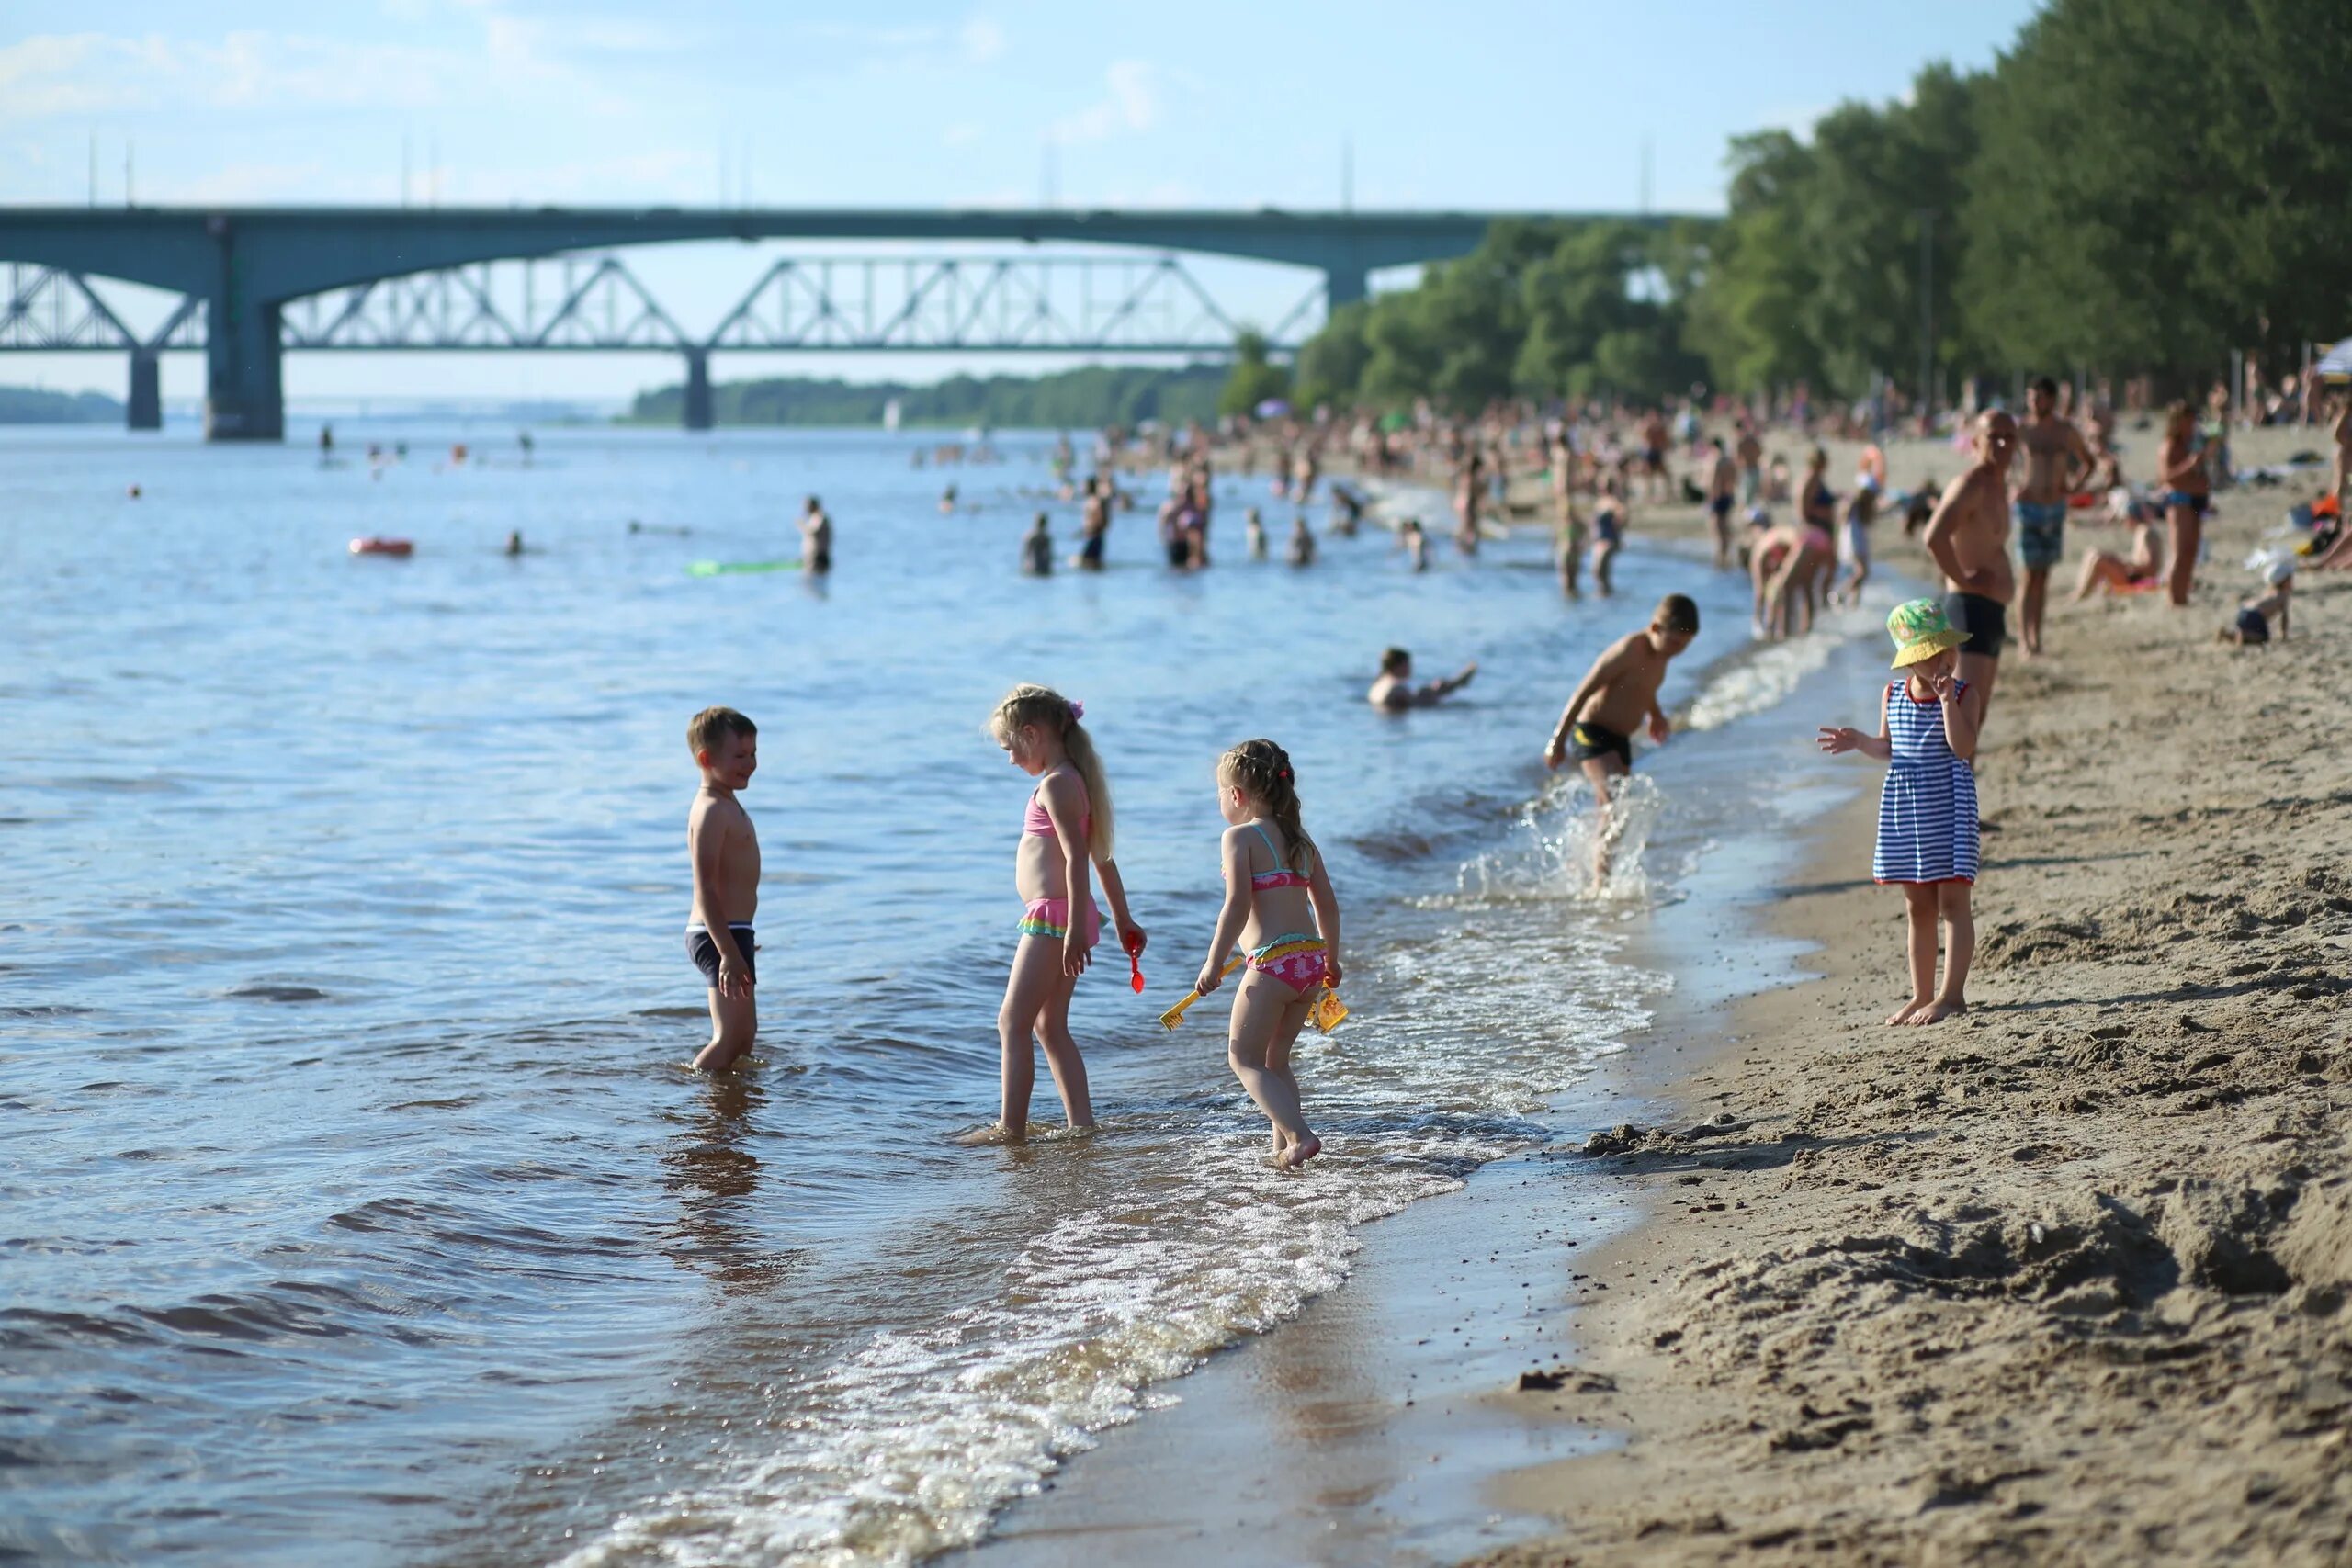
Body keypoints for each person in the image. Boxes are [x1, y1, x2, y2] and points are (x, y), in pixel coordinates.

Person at [965, 686, 1145, 1144]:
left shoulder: (1057, 784)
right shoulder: (1072, 779)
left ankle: (1011, 1128)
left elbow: (1075, 859)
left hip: (1054, 918)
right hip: (1068, 915)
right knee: (1048, 1024)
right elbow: (1101, 857)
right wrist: (1121, 919)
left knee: (1012, 1021)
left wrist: (1071, 932)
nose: (1009, 760)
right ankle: (1081, 1125)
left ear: (1031, 733)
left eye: (1010, 748)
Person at [1815, 600, 1980, 1026]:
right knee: (1917, 907)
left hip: (1948, 809)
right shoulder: (1892, 694)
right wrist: (1860, 742)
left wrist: (1946, 704)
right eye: (1931, 654)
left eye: (1947, 649)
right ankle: (1921, 993)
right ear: (1911, 661)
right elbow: (1890, 749)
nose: (1943, 659)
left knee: (1953, 902)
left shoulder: (1964, 694)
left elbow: (1963, 749)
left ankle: (1952, 995)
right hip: (1908, 813)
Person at [1190, 739, 1343, 1169]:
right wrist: (1331, 959)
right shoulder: (1300, 839)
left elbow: (1236, 905)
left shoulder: (1238, 837)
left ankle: (1299, 1136)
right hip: (1309, 964)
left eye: (1220, 792)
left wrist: (1214, 961)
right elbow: (1326, 905)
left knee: (1242, 1058)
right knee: (1276, 1061)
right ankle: (1283, 1150)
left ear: (1236, 795)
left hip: (1272, 965)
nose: (1220, 801)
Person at [1542, 594, 1700, 881]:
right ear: (1655, 628)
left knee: (1615, 808)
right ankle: (1601, 885)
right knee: (1614, 802)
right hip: (1592, 732)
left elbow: (1643, 686)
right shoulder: (1628, 650)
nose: (1678, 652)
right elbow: (1583, 691)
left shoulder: (1661, 654)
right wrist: (1558, 740)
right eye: (1675, 642)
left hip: (1619, 739)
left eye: (1685, 646)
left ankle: (1588, 870)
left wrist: (1655, 714)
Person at [1921, 410, 2018, 727]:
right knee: (1961, 724)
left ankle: (1967, 779)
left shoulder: (1998, 485)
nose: (2003, 444)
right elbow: (1933, 536)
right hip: (1967, 609)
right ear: (1976, 442)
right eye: (1994, 437)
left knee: (1975, 719)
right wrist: (1962, 579)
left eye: (2010, 437)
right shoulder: (1970, 485)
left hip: (1991, 611)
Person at [684, 707, 761, 1074]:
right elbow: (706, 889)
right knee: (730, 1036)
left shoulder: (727, 800)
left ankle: (731, 1107)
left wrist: (740, 941)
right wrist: (728, 951)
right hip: (717, 934)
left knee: (746, 1036)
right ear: (706, 758)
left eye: (753, 754)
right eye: (740, 756)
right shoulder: (711, 809)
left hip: (734, 932)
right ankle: (698, 1094)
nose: (750, 764)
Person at [2013, 377, 2097, 655]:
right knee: (2028, 576)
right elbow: (1999, 461)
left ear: (2050, 399)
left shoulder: (2065, 432)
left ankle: (2037, 637)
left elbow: (2089, 461)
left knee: (2043, 577)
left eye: (2039, 397)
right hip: (2030, 507)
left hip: (2055, 508)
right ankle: (2024, 640)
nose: (2034, 403)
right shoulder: (2023, 430)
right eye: (2031, 398)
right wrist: (2014, 486)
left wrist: (2073, 488)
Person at [2155, 400, 2211, 607]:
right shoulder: (2170, 446)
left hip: (2197, 499)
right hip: (2180, 500)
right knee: (2179, 551)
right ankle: (2173, 597)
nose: (2192, 425)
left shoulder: (2193, 443)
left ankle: (2183, 595)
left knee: (2191, 550)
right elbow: (2165, 477)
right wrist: (2189, 465)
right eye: (2188, 421)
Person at [2073, 513, 2165, 599]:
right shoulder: (2142, 531)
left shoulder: (2146, 532)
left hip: (2137, 579)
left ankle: (2082, 595)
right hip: (2133, 575)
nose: (2123, 524)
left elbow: (2152, 567)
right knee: (2092, 553)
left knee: (2099, 560)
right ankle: (2080, 591)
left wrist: (2123, 564)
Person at [1368, 647, 1476, 711]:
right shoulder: (1396, 687)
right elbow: (1417, 704)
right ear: (1398, 666)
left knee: (1427, 691)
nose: (1411, 668)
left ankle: (1457, 683)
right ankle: (1458, 683)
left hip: (1385, 707)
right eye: (1408, 665)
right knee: (1429, 691)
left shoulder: (1377, 684)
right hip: (1396, 707)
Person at [2218, 558, 2294, 645]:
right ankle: (2244, 635)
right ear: (2283, 581)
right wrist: (2284, 635)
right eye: (2290, 579)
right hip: (2256, 615)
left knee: (2245, 632)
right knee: (2263, 638)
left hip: (2244, 610)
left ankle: (2227, 634)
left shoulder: (2268, 591)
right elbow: (2284, 618)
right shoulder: (2283, 596)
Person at [1832, 483, 1876, 605]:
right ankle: (1841, 594)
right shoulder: (1854, 507)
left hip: (1857, 541)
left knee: (1860, 572)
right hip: (1854, 542)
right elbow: (1843, 517)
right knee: (1862, 572)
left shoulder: (1861, 509)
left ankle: (1853, 601)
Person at [1589, 474, 1627, 597]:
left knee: (1600, 569)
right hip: (1598, 540)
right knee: (1597, 571)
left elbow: (1623, 517)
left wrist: (1618, 530)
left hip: (1608, 540)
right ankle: (1604, 593)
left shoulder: (1613, 502)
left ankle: (1606, 592)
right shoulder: (1600, 501)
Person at [1705, 436, 1738, 569]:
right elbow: (1735, 478)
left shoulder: (1716, 461)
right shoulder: (1729, 460)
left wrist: (1712, 496)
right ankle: (1727, 556)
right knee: (1725, 526)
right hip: (1728, 495)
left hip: (1718, 496)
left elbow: (1715, 479)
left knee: (1718, 529)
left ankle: (1721, 557)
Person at [1078, 475, 1110, 570]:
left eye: (1085, 486)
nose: (1083, 489)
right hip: (1090, 535)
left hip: (1095, 536)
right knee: (1088, 563)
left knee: (1090, 562)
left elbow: (1100, 519)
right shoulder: (1089, 501)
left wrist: (1094, 530)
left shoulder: (1095, 502)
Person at [799, 496, 833, 575]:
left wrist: (802, 526)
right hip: (812, 558)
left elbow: (813, 532)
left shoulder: (820, 517)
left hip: (818, 557)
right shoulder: (814, 518)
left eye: (806, 506)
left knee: (816, 584)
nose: (805, 508)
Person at [1021, 512, 1054, 576]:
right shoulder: (1046, 538)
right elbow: (1049, 556)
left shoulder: (1029, 536)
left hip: (1033, 566)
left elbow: (1025, 554)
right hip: (1042, 566)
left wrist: (1026, 565)